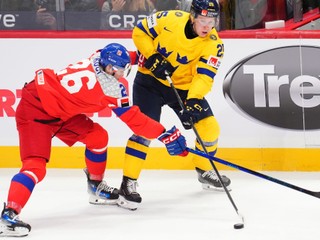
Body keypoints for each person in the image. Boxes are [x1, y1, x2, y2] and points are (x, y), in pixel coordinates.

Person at [0, 43, 188, 237]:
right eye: (117, 70)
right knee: (35, 167)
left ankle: (95, 186)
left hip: (59, 110)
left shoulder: (97, 56)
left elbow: (119, 56)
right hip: (35, 112)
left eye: (123, 69)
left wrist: (141, 57)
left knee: (98, 137)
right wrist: (164, 134)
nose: (120, 73)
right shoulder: (110, 89)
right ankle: (9, 214)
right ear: (108, 68)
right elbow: (135, 120)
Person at [117, 0, 232, 211]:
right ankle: (127, 184)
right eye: (203, 20)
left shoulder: (214, 44)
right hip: (149, 82)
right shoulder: (169, 19)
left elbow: (204, 76)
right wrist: (152, 57)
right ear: (192, 17)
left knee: (210, 128)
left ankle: (204, 170)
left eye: (212, 21)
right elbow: (139, 32)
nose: (207, 26)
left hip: (184, 89)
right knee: (144, 132)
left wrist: (194, 99)